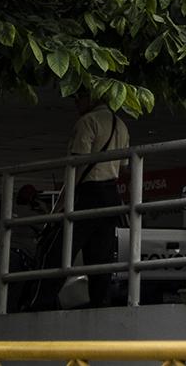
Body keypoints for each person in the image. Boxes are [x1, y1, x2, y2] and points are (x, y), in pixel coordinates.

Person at [66, 89, 130, 308]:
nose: (76, 102)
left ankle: (42, 300)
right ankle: (100, 302)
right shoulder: (121, 124)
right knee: (101, 255)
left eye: (78, 97)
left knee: (64, 247)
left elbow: (76, 163)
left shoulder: (87, 122)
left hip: (89, 191)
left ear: (91, 97)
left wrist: (66, 200)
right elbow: (124, 167)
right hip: (111, 192)